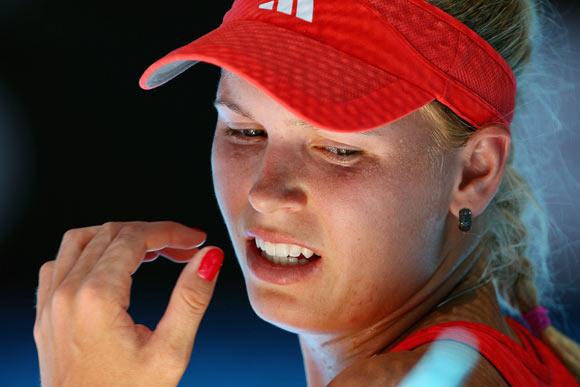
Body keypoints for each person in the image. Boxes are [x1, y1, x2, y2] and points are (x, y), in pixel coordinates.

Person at [33, 0, 580, 386]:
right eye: (244, 130)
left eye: (339, 149)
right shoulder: (493, 354)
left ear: (474, 173)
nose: (267, 193)